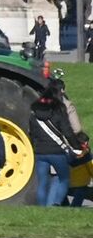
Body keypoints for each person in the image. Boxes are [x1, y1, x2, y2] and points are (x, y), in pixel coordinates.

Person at [30, 78, 81, 206]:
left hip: (40, 152)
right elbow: (68, 132)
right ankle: (56, 204)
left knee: (42, 182)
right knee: (64, 178)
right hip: (57, 152)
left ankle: (42, 208)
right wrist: (77, 146)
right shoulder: (59, 112)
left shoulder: (34, 115)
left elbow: (32, 133)